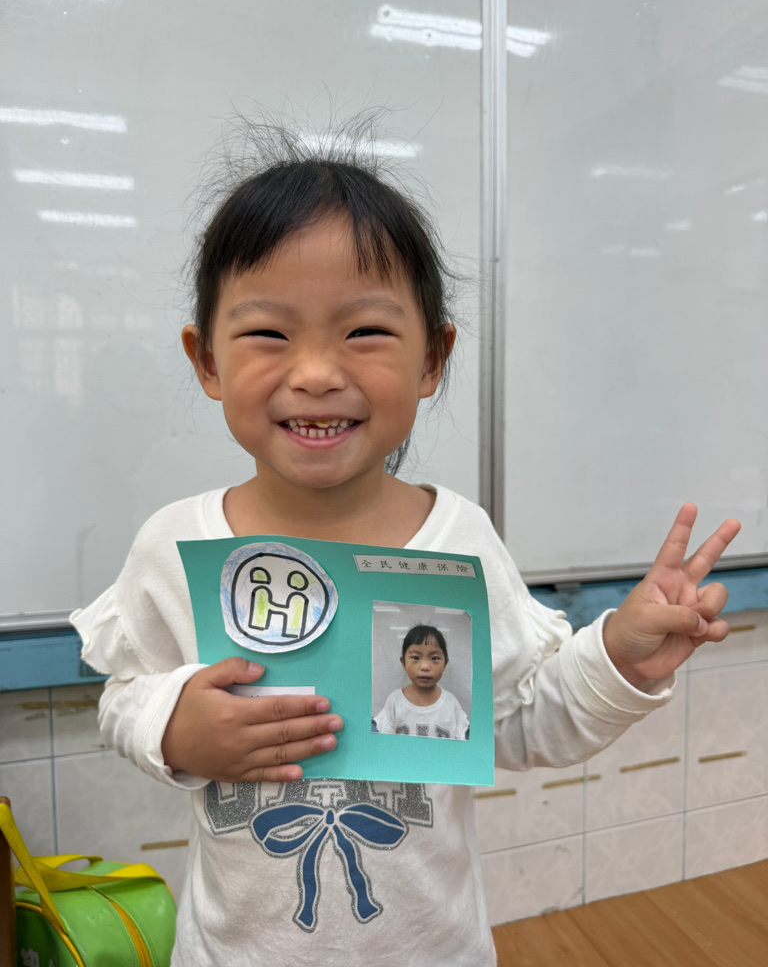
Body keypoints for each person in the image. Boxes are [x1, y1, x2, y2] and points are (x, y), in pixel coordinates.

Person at [71, 125, 741, 967]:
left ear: (433, 358)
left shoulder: (459, 541)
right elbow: (122, 697)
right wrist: (171, 726)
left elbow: (517, 721)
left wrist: (621, 657)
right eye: (269, 334)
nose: (317, 372)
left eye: (365, 332)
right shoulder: (175, 544)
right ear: (206, 360)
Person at [373, 624, 470, 739]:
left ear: (445, 664)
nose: (425, 667)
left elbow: (462, 741)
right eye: (415, 657)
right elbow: (383, 741)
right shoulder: (395, 701)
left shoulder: (451, 703)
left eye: (434, 658)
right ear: (403, 662)